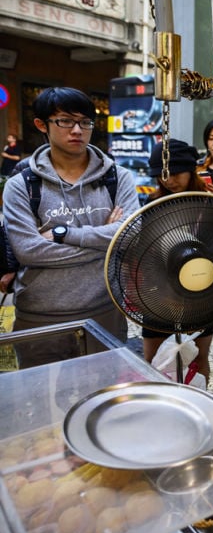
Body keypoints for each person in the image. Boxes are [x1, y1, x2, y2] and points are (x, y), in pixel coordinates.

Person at [2, 87, 139, 363]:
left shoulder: (118, 178)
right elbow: (29, 251)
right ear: (42, 124)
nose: (77, 130)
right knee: (41, 402)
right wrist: (107, 240)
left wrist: (64, 235)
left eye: (85, 122)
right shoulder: (22, 186)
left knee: (103, 399)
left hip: (105, 313)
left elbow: (132, 236)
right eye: (65, 120)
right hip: (40, 319)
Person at [141, 139, 213, 383]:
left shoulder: (211, 203)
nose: (168, 180)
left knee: (198, 357)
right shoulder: (153, 204)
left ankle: (200, 403)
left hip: (203, 296)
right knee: (152, 361)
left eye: (174, 173)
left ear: (191, 169)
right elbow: (144, 251)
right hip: (159, 299)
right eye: (161, 175)